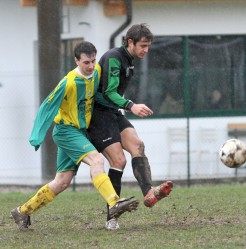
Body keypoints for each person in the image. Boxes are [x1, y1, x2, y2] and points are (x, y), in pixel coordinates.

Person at [10, 41, 139, 231]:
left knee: (61, 182)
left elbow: (99, 96)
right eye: (86, 62)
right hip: (66, 131)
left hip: (79, 132)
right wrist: (37, 135)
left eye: (93, 61)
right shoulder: (68, 82)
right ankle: (114, 203)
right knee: (96, 160)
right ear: (76, 60)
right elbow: (47, 105)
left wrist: (120, 106)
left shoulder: (95, 74)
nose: (91, 66)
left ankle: (22, 211)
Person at [87, 23, 173, 231]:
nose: (146, 50)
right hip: (99, 114)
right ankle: (111, 216)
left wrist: (126, 106)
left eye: (148, 46)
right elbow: (108, 92)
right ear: (130, 42)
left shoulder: (128, 59)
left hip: (113, 112)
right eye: (143, 46)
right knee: (119, 160)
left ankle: (149, 192)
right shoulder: (114, 58)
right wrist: (131, 105)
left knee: (137, 145)